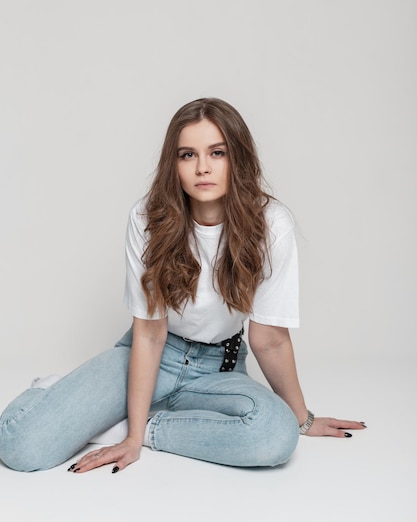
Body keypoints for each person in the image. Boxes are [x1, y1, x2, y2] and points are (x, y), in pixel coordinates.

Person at [0, 97, 365, 474]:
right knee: (21, 447)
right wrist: (130, 443)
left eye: (217, 152)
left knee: (275, 434)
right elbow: (150, 334)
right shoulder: (147, 218)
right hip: (153, 354)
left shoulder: (271, 225)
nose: (203, 168)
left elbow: (268, 339)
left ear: (237, 157)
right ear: (173, 164)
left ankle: (132, 425)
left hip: (219, 369)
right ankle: (53, 394)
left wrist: (302, 419)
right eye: (187, 155)